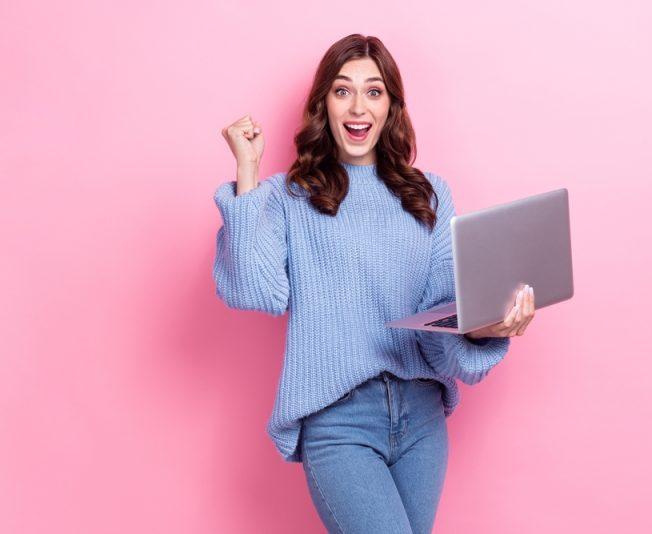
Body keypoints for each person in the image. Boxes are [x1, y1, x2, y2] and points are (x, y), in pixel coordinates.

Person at [212, 33, 536, 534]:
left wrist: (486, 325)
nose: (357, 106)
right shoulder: (289, 197)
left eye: (374, 91)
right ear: (323, 103)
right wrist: (248, 172)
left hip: (422, 416)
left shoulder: (427, 194)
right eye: (342, 91)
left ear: (391, 107)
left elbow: (444, 315)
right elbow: (256, 290)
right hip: (339, 421)